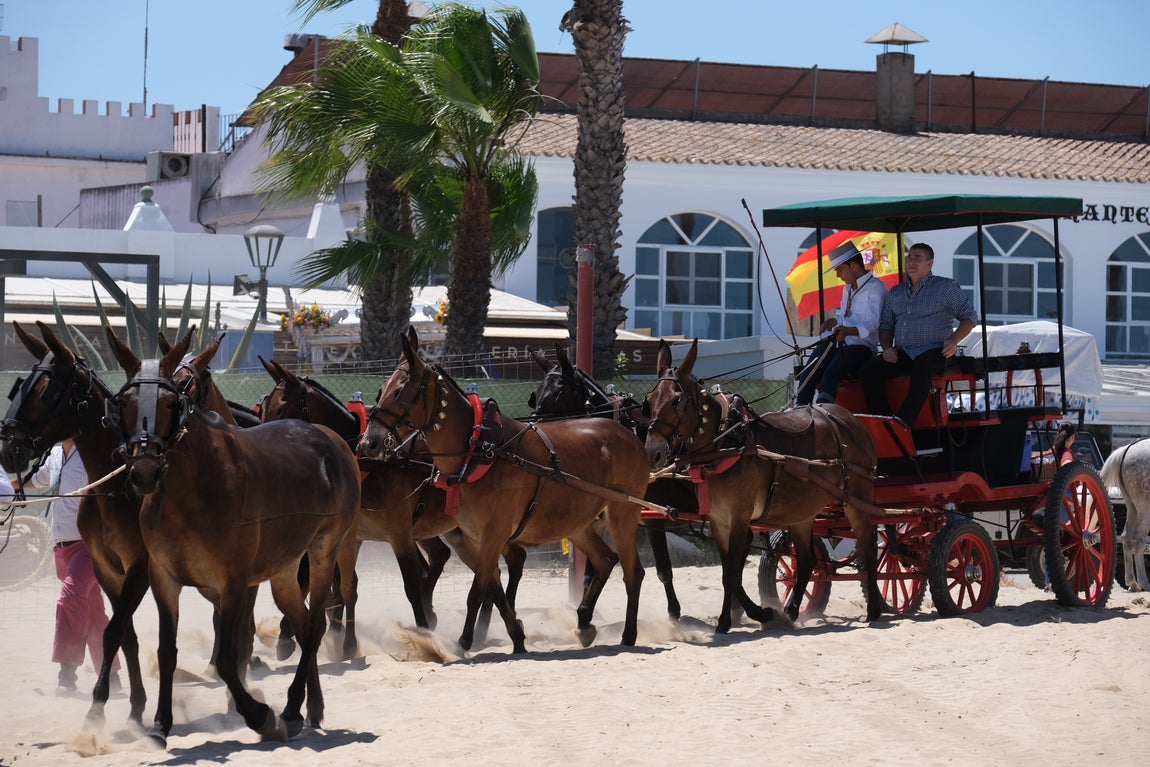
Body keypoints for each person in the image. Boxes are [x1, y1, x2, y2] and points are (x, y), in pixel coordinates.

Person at [14, 439, 118, 694]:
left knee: (69, 598)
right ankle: (111, 676)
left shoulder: (91, 451)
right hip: (60, 546)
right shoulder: (56, 453)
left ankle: (66, 676)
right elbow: (39, 479)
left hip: (89, 544)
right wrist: (11, 486)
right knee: (92, 613)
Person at [860, 242, 979, 427]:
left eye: (918, 258)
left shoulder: (945, 287)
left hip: (936, 350)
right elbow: (886, 326)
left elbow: (969, 316)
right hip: (903, 351)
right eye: (909, 258)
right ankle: (883, 421)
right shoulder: (896, 292)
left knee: (923, 366)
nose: (912, 262)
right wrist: (887, 348)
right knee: (870, 370)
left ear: (930, 264)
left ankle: (904, 422)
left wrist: (954, 340)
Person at [795, 241, 888, 406]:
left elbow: (872, 324)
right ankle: (799, 410)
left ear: (853, 266)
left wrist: (847, 331)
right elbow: (846, 318)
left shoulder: (876, 288)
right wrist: (834, 321)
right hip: (839, 344)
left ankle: (825, 413)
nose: (838, 275)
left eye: (839, 270)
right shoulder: (847, 289)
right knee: (810, 370)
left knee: (830, 373)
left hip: (861, 350)